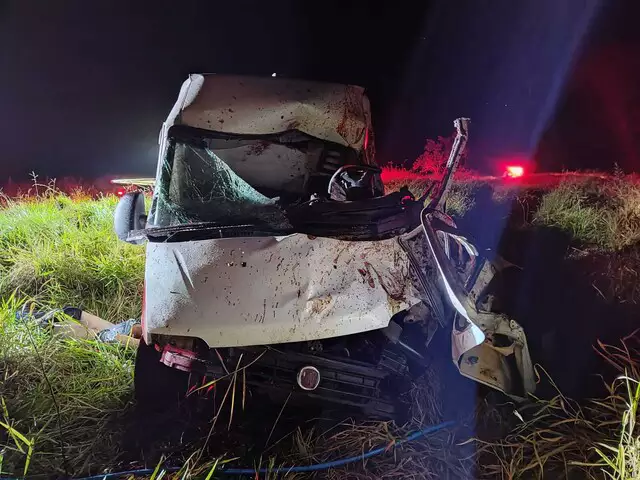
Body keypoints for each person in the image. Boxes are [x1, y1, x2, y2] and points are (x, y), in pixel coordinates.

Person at [16, 304, 141, 348]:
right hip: (54, 321)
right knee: (114, 334)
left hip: (51, 323)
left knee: (107, 337)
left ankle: (144, 346)